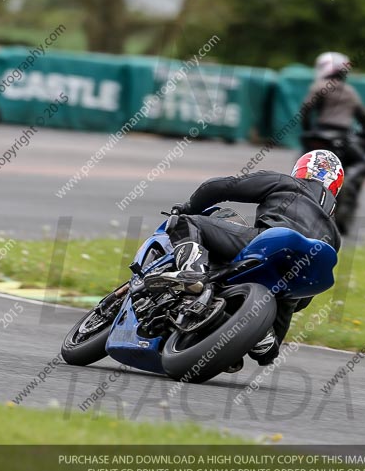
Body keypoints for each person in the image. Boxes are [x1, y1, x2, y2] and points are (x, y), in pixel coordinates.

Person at [145, 150, 344, 366]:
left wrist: (187, 207)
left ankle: (194, 273)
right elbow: (304, 300)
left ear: (301, 170)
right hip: (288, 289)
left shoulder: (289, 184)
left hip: (272, 241)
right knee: (270, 352)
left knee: (187, 222)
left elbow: (220, 187)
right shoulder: (334, 234)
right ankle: (263, 336)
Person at [300, 51, 365, 234]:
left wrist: (308, 129)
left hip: (319, 135)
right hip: (343, 138)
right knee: (363, 163)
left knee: (304, 166)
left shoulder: (319, 86)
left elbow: (305, 109)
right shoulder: (349, 92)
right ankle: (349, 181)